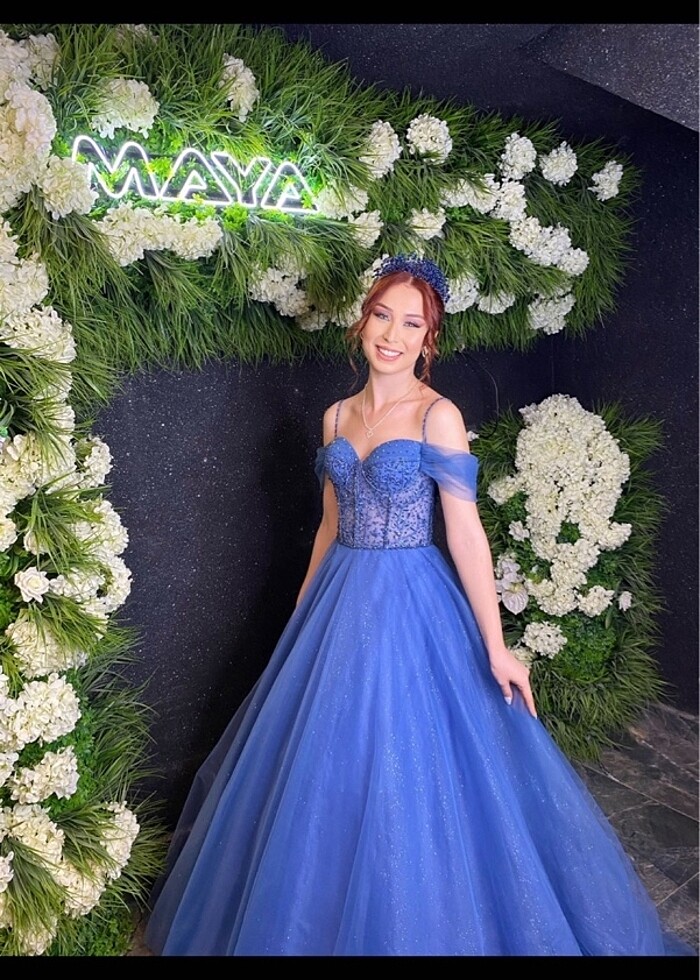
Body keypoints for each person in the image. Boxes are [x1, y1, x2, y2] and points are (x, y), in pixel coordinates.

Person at [144, 254, 691, 956]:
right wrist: (301, 620)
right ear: (362, 321)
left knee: (410, 768)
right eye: (383, 316)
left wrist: (496, 646)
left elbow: (466, 534)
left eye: (412, 324)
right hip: (341, 603)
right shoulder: (335, 417)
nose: (393, 335)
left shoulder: (438, 415)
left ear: (429, 339)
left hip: (411, 602)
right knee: (326, 775)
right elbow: (329, 526)